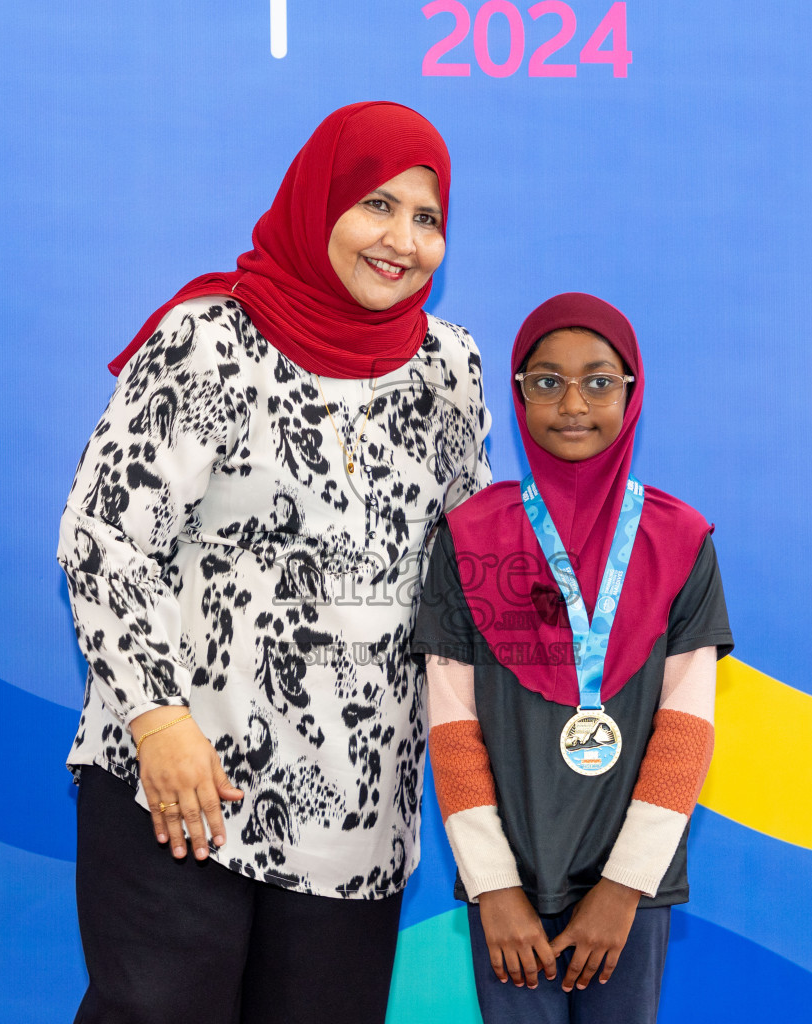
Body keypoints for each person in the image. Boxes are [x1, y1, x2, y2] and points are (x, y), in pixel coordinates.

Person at [58, 101, 492, 1024]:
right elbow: (103, 535)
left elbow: (468, 576)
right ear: (317, 202)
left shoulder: (451, 370)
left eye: (428, 218)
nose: (402, 240)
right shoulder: (211, 342)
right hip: (183, 789)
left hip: (356, 816)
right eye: (377, 205)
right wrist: (159, 722)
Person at [413, 293, 733, 1023]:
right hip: (507, 893)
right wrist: (493, 885)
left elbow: (687, 729)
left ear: (633, 390)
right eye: (546, 381)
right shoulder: (466, 537)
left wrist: (625, 888)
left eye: (598, 380)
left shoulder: (681, 539)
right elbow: (453, 728)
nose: (573, 403)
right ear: (518, 393)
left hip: (628, 893)